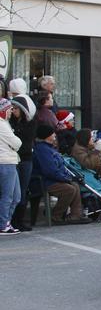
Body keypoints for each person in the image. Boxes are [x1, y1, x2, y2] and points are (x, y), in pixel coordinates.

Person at [32, 124, 89, 224]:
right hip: (47, 181)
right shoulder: (43, 150)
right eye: (52, 133)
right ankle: (55, 215)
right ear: (46, 136)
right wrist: (65, 178)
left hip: (54, 178)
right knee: (69, 189)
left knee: (75, 185)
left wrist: (69, 177)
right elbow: (50, 170)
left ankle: (75, 215)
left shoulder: (49, 148)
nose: (54, 135)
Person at [9, 95, 36, 232]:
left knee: (23, 189)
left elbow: (26, 141)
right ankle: (10, 219)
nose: (13, 111)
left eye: (15, 109)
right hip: (14, 158)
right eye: (12, 108)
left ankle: (19, 219)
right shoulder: (9, 122)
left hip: (25, 159)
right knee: (12, 190)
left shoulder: (30, 123)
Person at [0, 99, 22, 234]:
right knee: (8, 196)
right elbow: (17, 143)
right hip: (5, 162)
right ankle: (3, 224)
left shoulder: (5, 123)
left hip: (11, 161)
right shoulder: (2, 125)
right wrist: (14, 143)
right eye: (9, 109)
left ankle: (6, 221)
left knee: (16, 196)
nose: (11, 112)